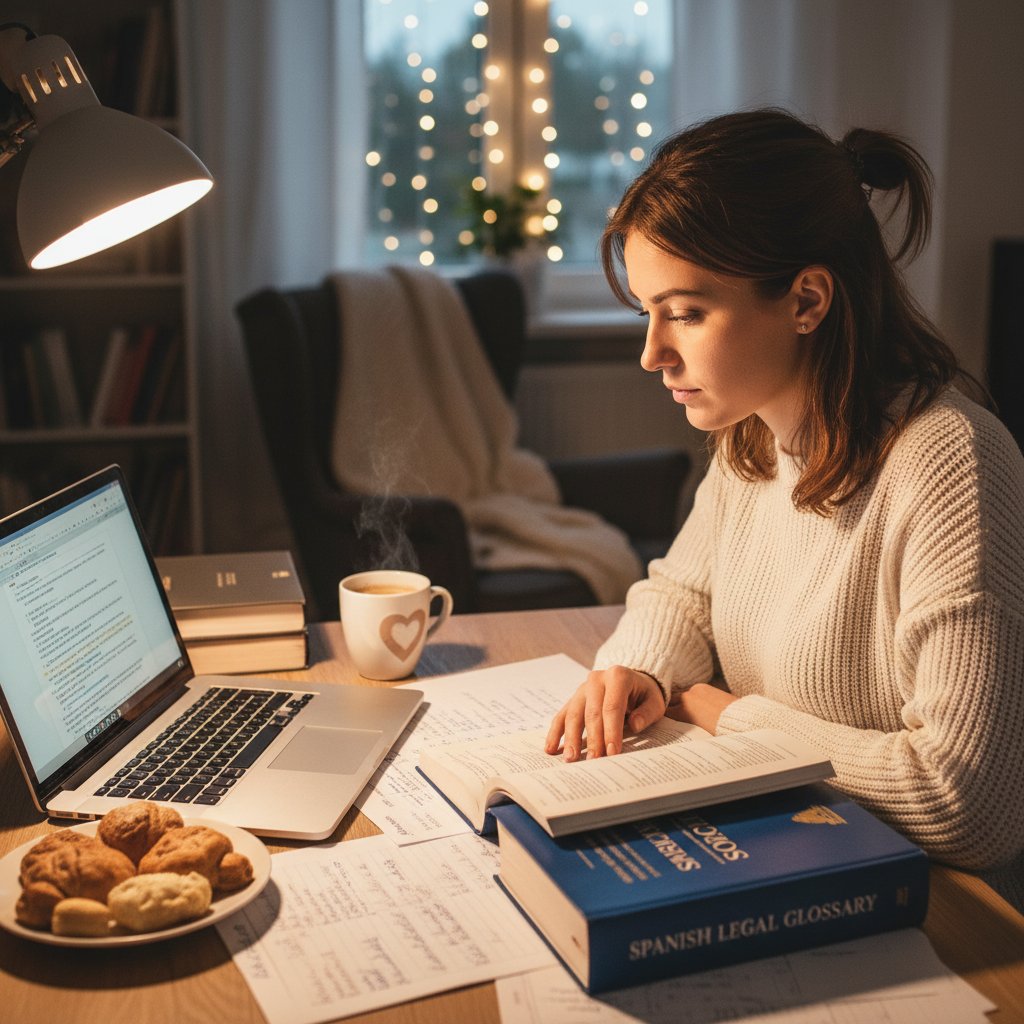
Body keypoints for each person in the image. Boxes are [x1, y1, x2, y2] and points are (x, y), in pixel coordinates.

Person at [545, 108, 1024, 906]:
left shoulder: (951, 463)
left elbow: (969, 806)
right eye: (647, 312)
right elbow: (682, 593)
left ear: (807, 299)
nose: (652, 353)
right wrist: (640, 670)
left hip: (943, 914)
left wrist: (731, 719)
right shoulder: (753, 437)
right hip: (797, 848)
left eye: (686, 313)